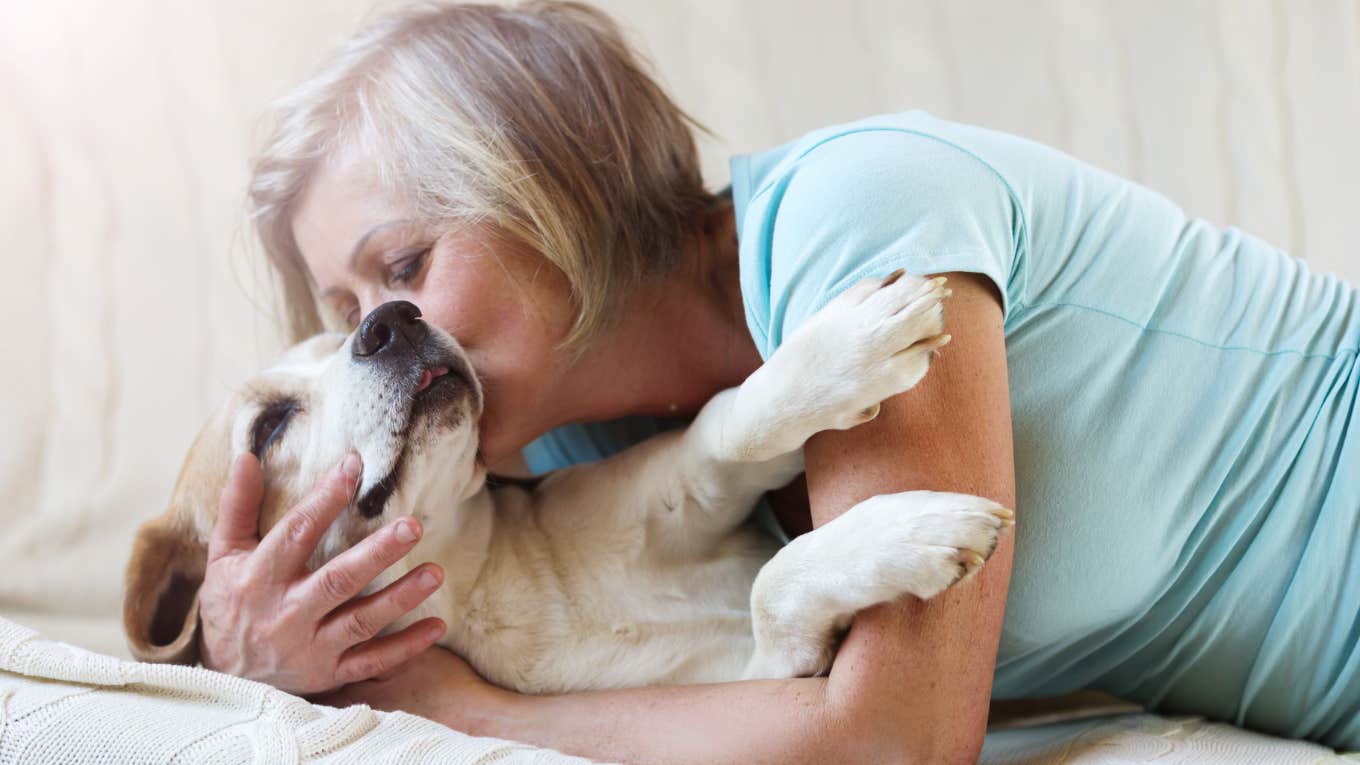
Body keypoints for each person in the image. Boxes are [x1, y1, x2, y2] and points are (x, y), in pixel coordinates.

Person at [195, 2, 1360, 761]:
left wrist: (469, 716)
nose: (378, 345)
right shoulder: (554, 465)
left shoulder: (858, 211)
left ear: (559, 190)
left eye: (402, 268)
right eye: (348, 318)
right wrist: (265, 665)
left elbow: (894, 742)